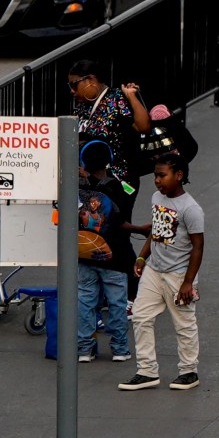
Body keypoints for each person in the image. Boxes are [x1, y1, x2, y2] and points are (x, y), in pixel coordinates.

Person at [119, 154, 203, 391]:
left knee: (184, 323)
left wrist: (188, 282)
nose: (157, 180)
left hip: (178, 275)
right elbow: (156, 231)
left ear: (179, 176)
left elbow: (198, 247)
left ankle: (189, 372)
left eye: (162, 175)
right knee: (140, 316)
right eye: (156, 175)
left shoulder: (191, 209)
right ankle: (146, 371)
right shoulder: (157, 197)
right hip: (154, 270)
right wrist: (142, 256)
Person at [74, 140, 136, 364]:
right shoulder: (116, 187)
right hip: (113, 255)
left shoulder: (75, 186)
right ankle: (119, 348)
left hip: (83, 252)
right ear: (108, 161)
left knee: (85, 299)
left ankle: (84, 349)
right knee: (117, 301)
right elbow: (122, 221)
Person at [68, 59, 154, 174]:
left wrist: (131, 96)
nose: (72, 91)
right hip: (86, 179)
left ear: (90, 80)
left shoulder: (118, 98)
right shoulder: (80, 108)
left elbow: (143, 127)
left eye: (74, 85)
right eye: (70, 85)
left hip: (117, 179)